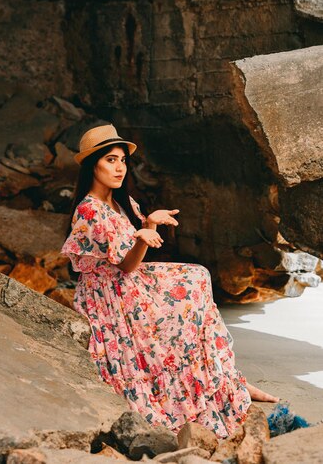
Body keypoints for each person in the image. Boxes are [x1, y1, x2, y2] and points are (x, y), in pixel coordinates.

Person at [61, 124, 278, 438]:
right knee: (188, 296)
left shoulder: (118, 204)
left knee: (198, 277)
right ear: (91, 164)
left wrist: (148, 223)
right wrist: (143, 237)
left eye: (122, 159)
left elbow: (131, 262)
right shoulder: (89, 211)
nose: (120, 167)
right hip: (109, 295)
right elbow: (126, 264)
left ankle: (226, 380)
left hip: (128, 283)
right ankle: (220, 384)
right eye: (110, 159)